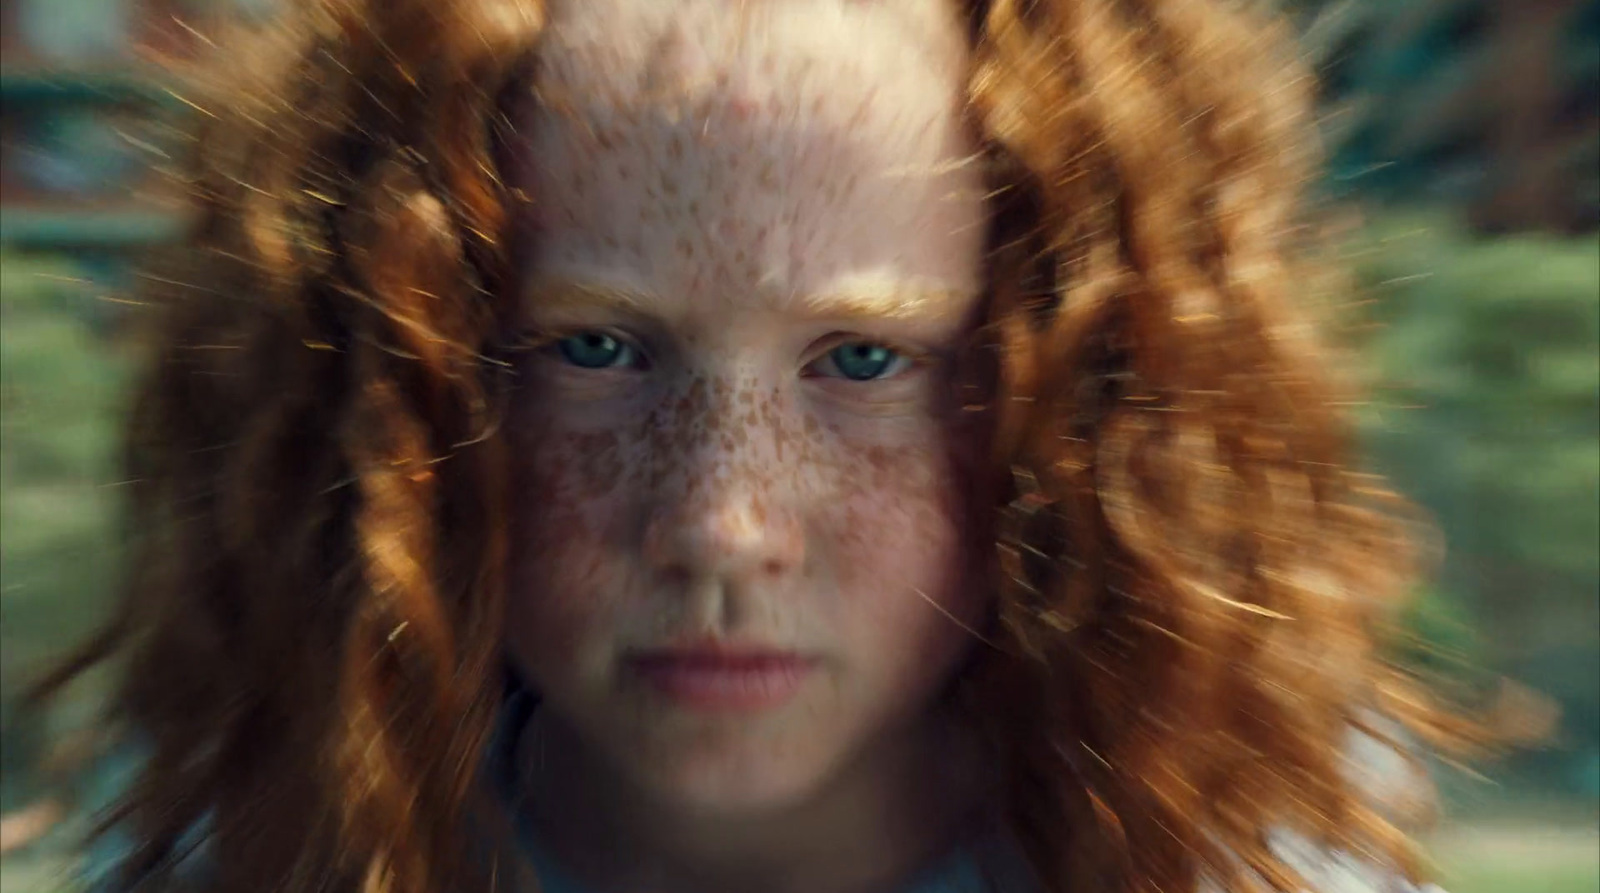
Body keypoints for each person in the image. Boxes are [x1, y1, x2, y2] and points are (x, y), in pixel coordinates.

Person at [33, 0, 1462, 890]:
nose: (722, 524)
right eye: (594, 350)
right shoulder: (254, 851)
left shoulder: (1254, 858)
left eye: (866, 361)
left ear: (1081, 401)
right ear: (387, 385)